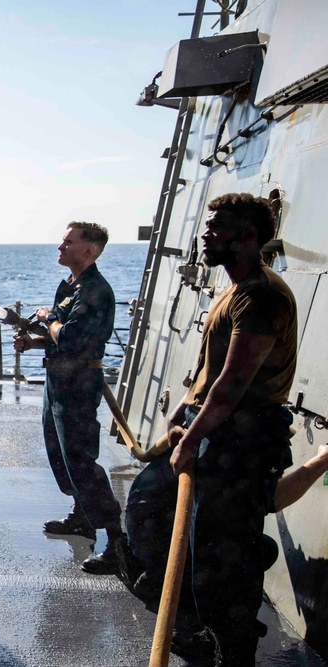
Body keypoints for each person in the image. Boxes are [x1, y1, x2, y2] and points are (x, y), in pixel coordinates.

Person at [155, 193, 296, 665]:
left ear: (249, 236)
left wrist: (192, 439)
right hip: (218, 431)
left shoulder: (261, 296)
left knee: (226, 564)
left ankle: (234, 653)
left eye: (218, 226)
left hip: (244, 440)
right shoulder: (231, 291)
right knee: (206, 550)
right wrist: (183, 412)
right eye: (208, 224)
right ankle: (215, 632)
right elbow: (210, 371)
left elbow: (233, 384)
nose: (205, 232)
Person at [13, 221, 127, 575]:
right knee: (60, 453)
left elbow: (73, 337)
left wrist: (46, 319)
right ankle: (81, 518)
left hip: (77, 383)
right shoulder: (72, 286)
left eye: (68, 242)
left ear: (89, 251)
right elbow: (60, 337)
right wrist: (34, 342)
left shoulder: (95, 290)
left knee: (80, 458)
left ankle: (117, 541)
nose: (60, 247)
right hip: (59, 380)